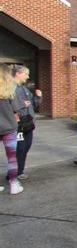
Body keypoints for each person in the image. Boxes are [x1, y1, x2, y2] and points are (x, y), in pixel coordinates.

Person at [11, 65, 42, 181]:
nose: (28, 76)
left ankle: (19, 170)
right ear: (18, 74)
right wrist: (21, 105)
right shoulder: (10, 88)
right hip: (18, 125)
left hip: (28, 124)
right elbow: (9, 106)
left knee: (26, 147)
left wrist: (38, 97)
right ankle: (15, 173)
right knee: (19, 149)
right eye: (26, 74)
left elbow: (33, 104)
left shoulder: (24, 88)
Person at [0, 63, 23, 194]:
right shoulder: (9, 90)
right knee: (12, 158)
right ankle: (14, 184)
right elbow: (16, 108)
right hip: (9, 127)